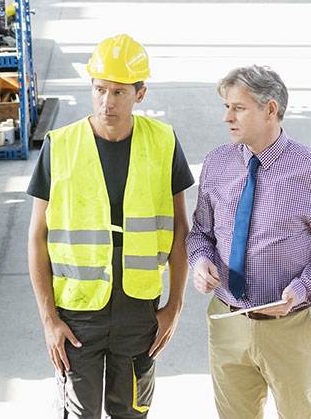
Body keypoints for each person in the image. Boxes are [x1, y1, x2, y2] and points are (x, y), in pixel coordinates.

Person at [26, 33, 193, 419]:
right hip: (78, 312)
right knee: (78, 413)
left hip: (139, 310)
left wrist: (175, 306)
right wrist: (49, 320)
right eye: (100, 89)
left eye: (119, 92)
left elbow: (181, 231)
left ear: (141, 94)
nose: (107, 102)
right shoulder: (60, 145)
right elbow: (37, 236)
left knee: (132, 412)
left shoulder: (163, 142)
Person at [186, 65, 311, 419]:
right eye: (226, 106)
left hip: (291, 328)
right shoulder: (217, 164)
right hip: (226, 321)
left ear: (270, 110)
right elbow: (200, 233)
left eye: (238, 108)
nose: (226, 117)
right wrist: (199, 262)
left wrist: (303, 288)